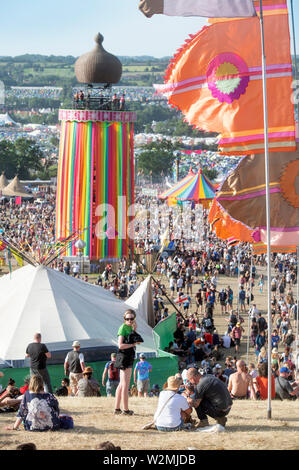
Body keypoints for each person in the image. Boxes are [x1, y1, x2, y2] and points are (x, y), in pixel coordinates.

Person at [114, 309, 139, 416]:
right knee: (125, 384)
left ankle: (117, 408)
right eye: (127, 319)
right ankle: (125, 409)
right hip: (124, 356)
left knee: (121, 384)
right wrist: (133, 344)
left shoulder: (129, 328)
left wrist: (135, 329)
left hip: (128, 356)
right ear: (124, 319)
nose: (129, 320)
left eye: (131, 318)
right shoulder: (123, 327)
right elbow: (120, 345)